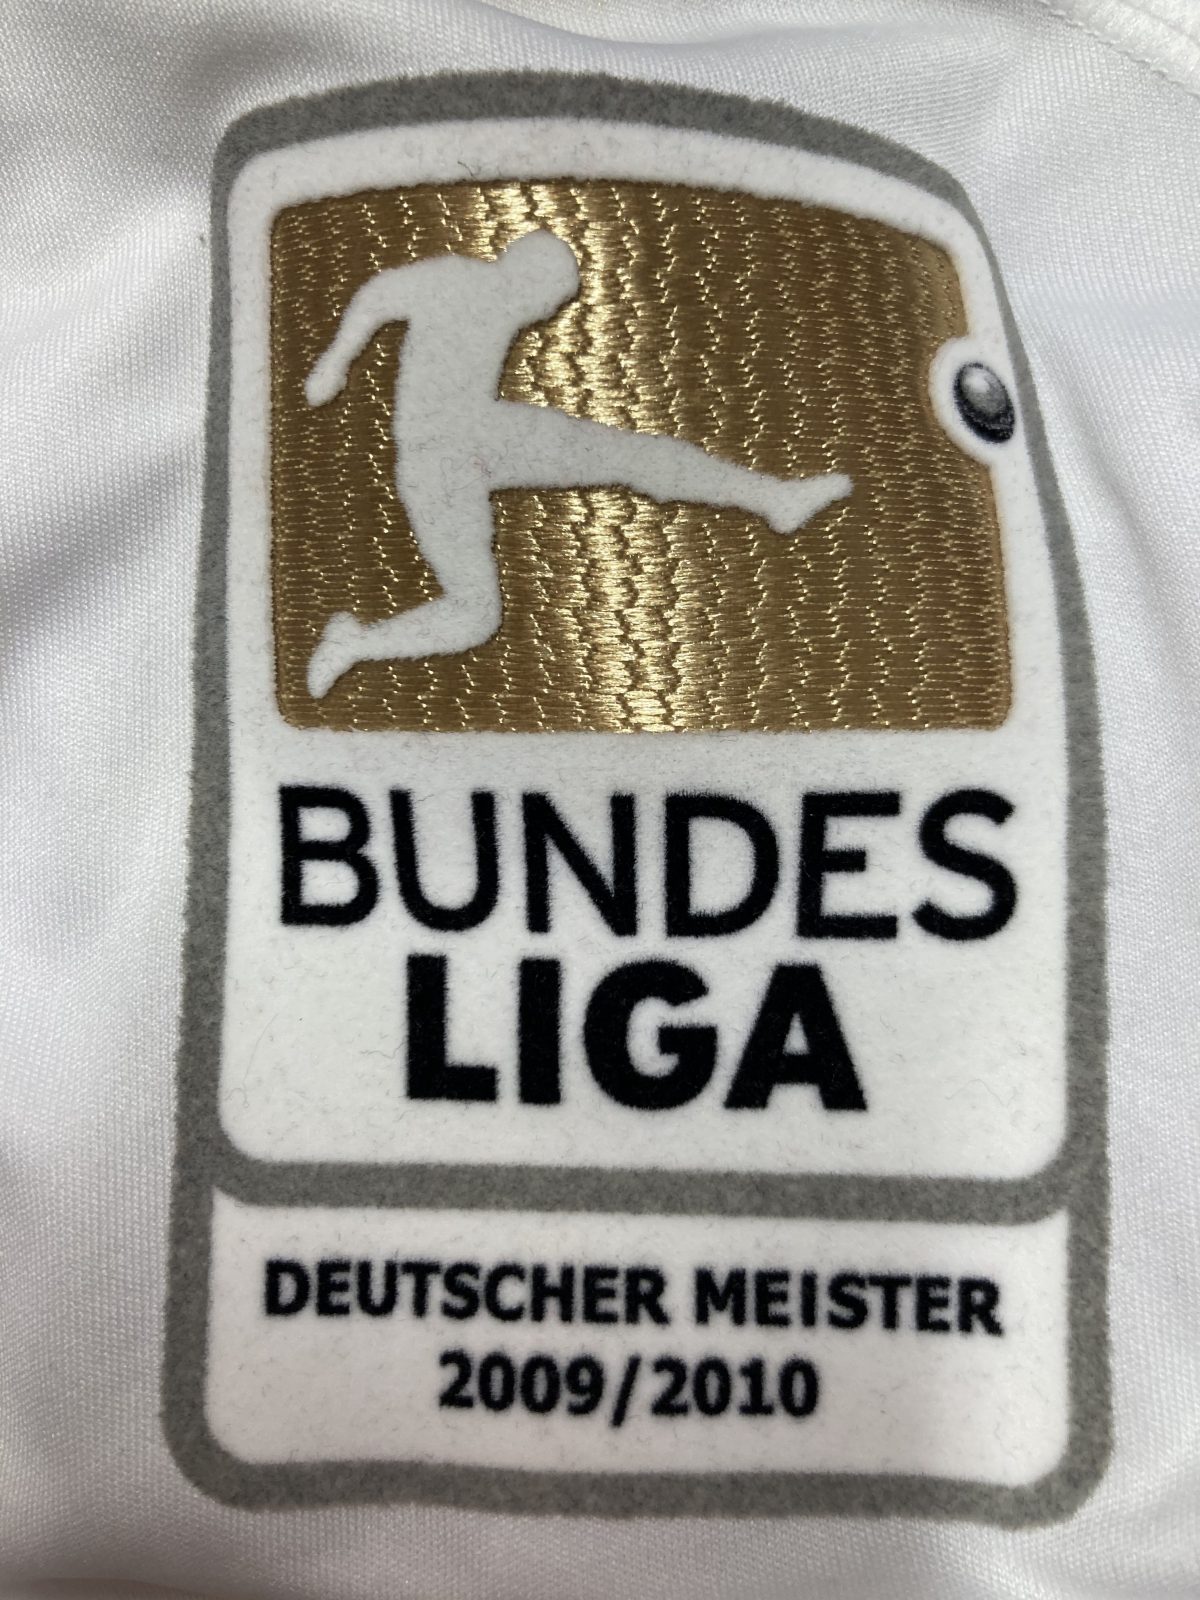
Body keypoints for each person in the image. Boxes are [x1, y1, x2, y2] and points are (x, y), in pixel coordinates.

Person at [304, 229, 852, 695]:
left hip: (452, 453)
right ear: (525, 272)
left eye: (554, 303)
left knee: (625, 464)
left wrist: (338, 359)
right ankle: (356, 645)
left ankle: (773, 498)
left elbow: (378, 295)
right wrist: (335, 361)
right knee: (479, 609)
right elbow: (378, 293)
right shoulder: (455, 279)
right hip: (456, 444)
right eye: (549, 297)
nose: (546, 312)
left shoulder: (487, 295)